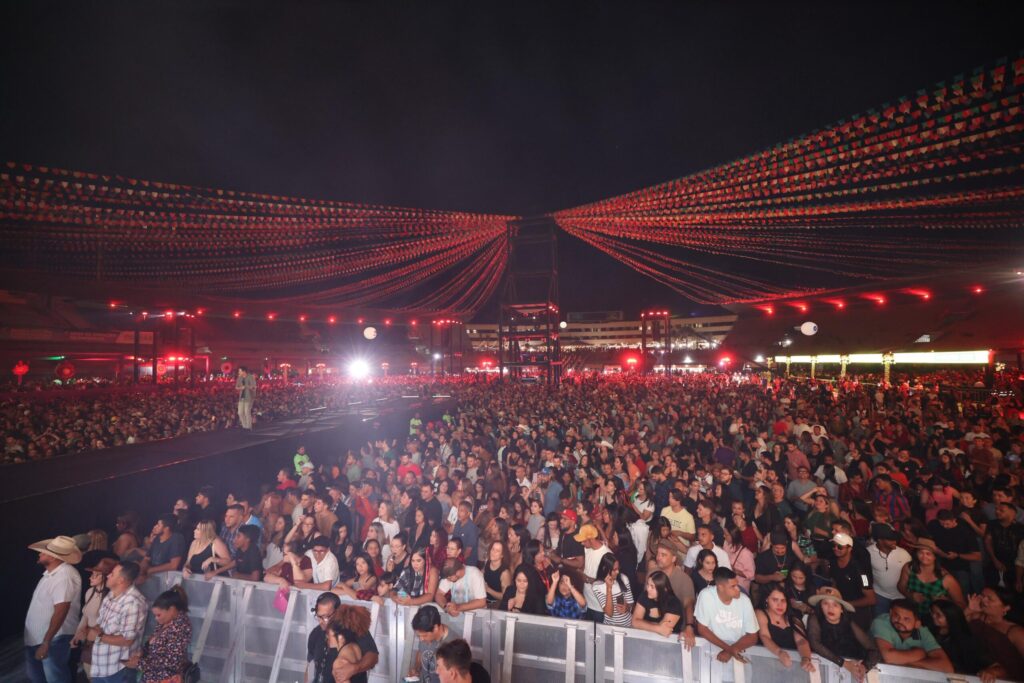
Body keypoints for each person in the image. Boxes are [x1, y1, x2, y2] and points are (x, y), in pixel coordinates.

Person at [25, 535, 83, 683]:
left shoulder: (64, 575)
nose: (40, 554)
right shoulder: (50, 575)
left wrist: (46, 642)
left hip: (53, 639)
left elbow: (61, 609)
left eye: (43, 552)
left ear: (53, 557)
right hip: (41, 638)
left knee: (55, 678)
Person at [90, 561, 147, 683]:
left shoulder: (133, 603)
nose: (108, 575)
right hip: (101, 665)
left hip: (118, 669)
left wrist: (99, 636)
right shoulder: (111, 595)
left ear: (121, 580)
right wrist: (94, 632)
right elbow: (100, 623)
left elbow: (127, 640)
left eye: (112, 573)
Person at [807, 587, 880, 682]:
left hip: (852, 672)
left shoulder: (849, 622)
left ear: (842, 609)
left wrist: (864, 667)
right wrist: (843, 663)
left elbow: (873, 649)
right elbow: (815, 644)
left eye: (835, 605)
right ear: (820, 606)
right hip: (824, 668)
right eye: (825, 603)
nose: (830, 608)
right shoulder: (815, 618)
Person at [694, 567, 759, 665]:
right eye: (733, 586)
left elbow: (753, 636)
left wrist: (730, 650)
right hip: (712, 652)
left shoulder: (745, 600)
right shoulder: (706, 595)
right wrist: (729, 649)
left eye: (737, 585)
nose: (738, 589)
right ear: (720, 587)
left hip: (740, 651)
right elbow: (702, 629)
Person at [870, 598, 953, 673]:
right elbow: (888, 657)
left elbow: (946, 667)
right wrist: (920, 654)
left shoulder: (922, 631)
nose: (899, 621)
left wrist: (910, 661)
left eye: (906, 619)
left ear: (917, 624)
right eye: (896, 615)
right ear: (891, 612)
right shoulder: (881, 622)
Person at [132, 586, 192, 683]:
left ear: (172, 610)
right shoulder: (165, 621)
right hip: (151, 677)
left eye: (158, 615)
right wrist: (143, 652)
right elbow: (155, 644)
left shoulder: (181, 628)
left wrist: (140, 663)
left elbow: (171, 662)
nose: (156, 618)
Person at [965, 587, 1024, 682]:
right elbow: (958, 631)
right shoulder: (978, 616)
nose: (983, 600)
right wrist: (969, 610)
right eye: (983, 596)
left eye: (989, 599)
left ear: (1006, 607)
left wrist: (997, 672)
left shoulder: (1015, 632)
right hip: (976, 670)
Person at [896, 538, 964, 619]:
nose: (924, 556)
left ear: (935, 557)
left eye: (928, 553)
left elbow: (962, 605)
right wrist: (910, 595)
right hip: (911, 614)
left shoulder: (947, 579)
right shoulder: (909, 568)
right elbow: (900, 586)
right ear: (916, 554)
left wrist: (946, 601)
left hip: (935, 620)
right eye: (921, 552)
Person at [72, 556, 115, 679]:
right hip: (88, 640)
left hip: (102, 639)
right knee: (89, 673)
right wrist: (77, 634)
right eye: (92, 574)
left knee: (99, 675)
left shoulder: (111, 596)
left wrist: (90, 632)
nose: (91, 577)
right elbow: (85, 616)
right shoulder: (90, 592)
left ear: (106, 576)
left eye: (96, 575)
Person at [755, 584, 815, 672]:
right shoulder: (760, 613)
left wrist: (805, 658)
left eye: (783, 600)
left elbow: (801, 641)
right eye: (775, 600)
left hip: (792, 668)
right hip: (766, 667)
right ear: (766, 599)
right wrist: (779, 653)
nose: (780, 604)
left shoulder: (793, 618)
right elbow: (764, 636)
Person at [929, 599, 986, 676]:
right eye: (932, 612)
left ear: (950, 617)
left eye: (938, 615)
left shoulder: (966, 640)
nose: (933, 616)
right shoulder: (929, 630)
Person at [867, 524, 911, 617]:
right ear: (879, 540)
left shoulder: (904, 554)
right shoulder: (868, 553)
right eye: (890, 539)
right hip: (880, 596)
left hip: (901, 597)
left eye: (894, 538)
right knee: (880, 622)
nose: (894, 541)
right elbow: (865, 575)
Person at [330, 604, 379, 683]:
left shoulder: (340, 662)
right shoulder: (355, 647)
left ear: (340, 637)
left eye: (329, 634)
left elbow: (373, 656)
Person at [631, 570, 683, 636]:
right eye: (648, 584)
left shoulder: (674, 603)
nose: (648, 589)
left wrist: (643, 624)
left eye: (652, 586)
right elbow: (634, 622)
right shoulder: (644, 595)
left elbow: (664, 630)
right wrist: (657, 628)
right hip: (645, 638)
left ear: (664, 589)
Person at [410, 605, 453, 683]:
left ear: (436, 628)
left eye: (424, 635)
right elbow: (421, 652)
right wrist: (416, 669)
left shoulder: (453, 645)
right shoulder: (424, 631)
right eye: (419, 636)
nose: (421, 639)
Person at [139, 514, 186, 581]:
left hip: (169, 580)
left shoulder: (176, 539)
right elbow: (147, 558)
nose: (155, 526)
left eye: (158, 525)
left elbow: (173, 565)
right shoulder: (157, 539)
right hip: (153, 578)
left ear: (166, 528)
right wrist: (142, 569)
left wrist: (151, 570)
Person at [307, 592, 341, 683]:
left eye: (325, 617)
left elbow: (371, 657)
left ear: (337, 613)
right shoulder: (315, 634)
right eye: (318, 616)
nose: (321, 621)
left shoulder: (351, 633)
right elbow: (309, 665)